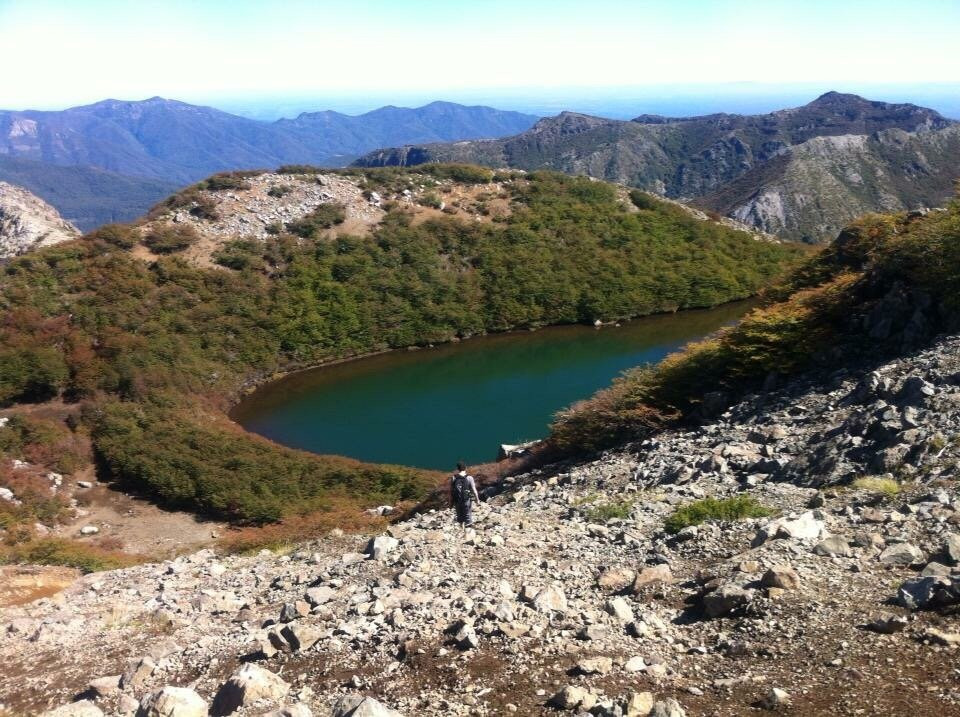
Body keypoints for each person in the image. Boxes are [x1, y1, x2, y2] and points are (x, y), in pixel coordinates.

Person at [450, 461, 480, 527]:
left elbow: (452, 491)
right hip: (467, 499)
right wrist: (477, 500)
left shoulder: (454, 478)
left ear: (458, 469)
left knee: (460, 517)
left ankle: (462, 529)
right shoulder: (469, 478)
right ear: (465, 468)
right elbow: (474, 490)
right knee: (468, 515)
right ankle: (468, 530)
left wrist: (451, 502)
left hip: (457, 500)